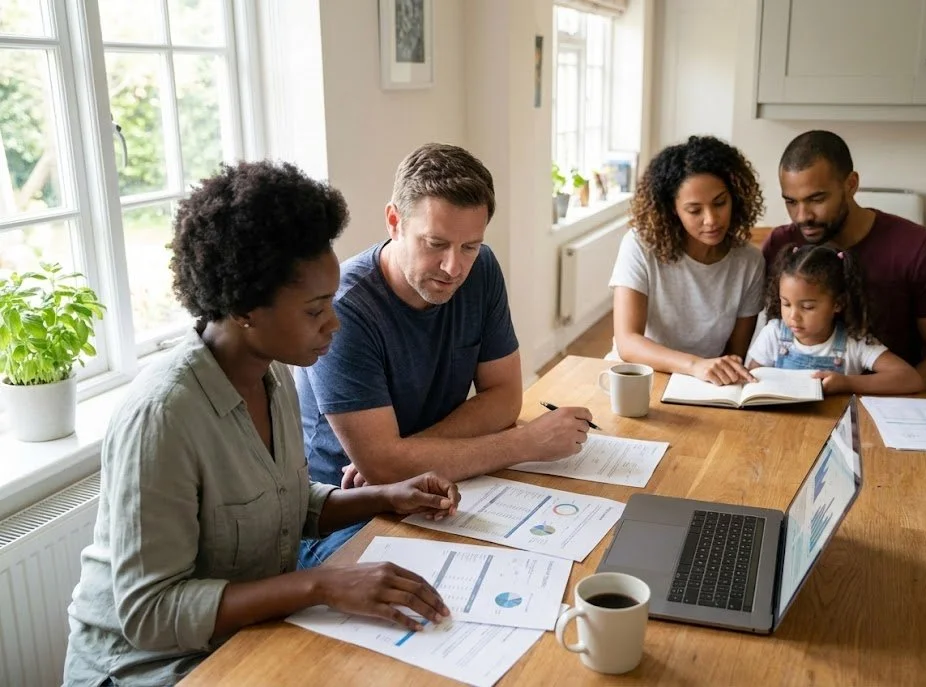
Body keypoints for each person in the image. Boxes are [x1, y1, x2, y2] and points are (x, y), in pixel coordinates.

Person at [63, 161, 461, 686]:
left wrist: (387, 495)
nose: (334, 323)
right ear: (247, 309)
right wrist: (320, 586)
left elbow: (284, 507)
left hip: (249, 636)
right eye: (316, 310)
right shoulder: (164, 417)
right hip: (151, 669)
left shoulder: (272, 373)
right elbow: (150, 613)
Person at [295, 143, 593, 568]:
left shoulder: (482, 268)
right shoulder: (346, 310)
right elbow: (380, 469)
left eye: (469, 246)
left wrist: (401, 457)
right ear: (394, 222)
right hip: (349, 516)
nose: (454, 267)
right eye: (436, 243)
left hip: (448, 489)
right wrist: (525, 442)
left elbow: (505, 398)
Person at [762, 130, 926, 392]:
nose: (802, 216)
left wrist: (885, 390)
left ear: (851, 184)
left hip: (893, 404)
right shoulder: (781, 246)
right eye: (791, 202)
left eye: (817, 199)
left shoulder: (919, 250)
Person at [608, 135, 767, 385]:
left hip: (703, 385)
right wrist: (694, 365)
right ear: (672, 209)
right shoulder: (640, 245)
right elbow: (628, 341)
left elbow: (734, 355)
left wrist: (708, 373)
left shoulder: (750, 262)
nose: (711, 219)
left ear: (735, 197)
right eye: (695, 210)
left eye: (720, 203)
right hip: (636, 377)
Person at [748, 244, 923, 394]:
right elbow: (752, 381)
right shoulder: (774, 334)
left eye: (808, 307)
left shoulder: (853, 342)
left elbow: (911, 379)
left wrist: (847, 383)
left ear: (838, 303)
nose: (793, 316)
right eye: (786, 304)